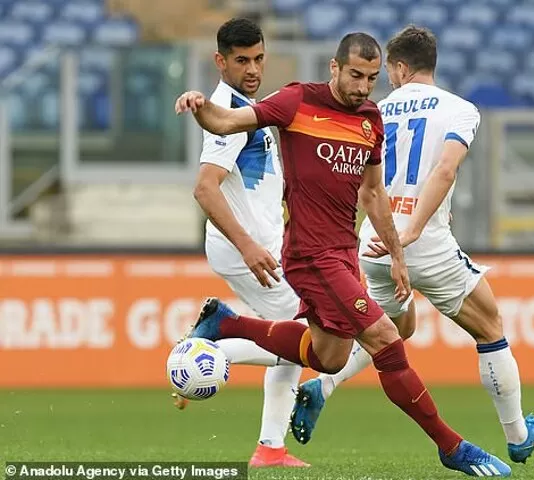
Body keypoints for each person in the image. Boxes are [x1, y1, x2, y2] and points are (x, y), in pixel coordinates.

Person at [176, 32, 513, 477]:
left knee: (329, 357)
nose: (362, 87)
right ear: (334, 68)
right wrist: (200, 105)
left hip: (343, 252)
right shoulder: (296, 101)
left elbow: (374, 194)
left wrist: (396, 253)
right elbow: (225, 123)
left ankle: (227, 323)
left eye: (372, 78)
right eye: (355, 75)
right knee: (386, 339)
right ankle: (451, 446)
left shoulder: (371, 118)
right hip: (310, 257)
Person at [291, 26, 534, 466]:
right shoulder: (460, 109)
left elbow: (363, 182)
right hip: (422, 242)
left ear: (398, 67)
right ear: (429, 64)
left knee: (394, 331)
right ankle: (518, 434)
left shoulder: (373, 109)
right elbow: (444, 171)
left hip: (373, 241)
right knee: (490, 325)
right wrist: (415, 228)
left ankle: (319, 387)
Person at [175, 18, 309, 468]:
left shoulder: (247, 106)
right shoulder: (226, 112)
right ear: (220, 61)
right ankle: (211, 345)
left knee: (297, 338)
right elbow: (205, 188)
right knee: (310, 337)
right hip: (244, 250)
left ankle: (271, 448)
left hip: (267, 243)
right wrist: (250, 246)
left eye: (258, 58)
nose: (252, 68)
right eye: (241, 60)